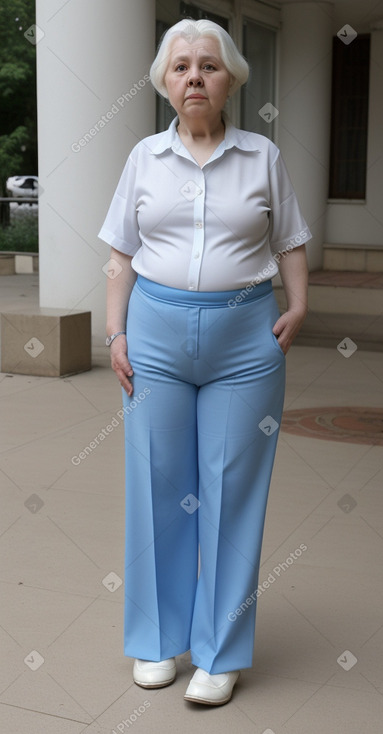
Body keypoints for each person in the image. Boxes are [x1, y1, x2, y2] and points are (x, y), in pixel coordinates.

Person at [98, 18, 311, 706]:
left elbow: (290, 240)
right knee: (157, 488)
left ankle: (219, 654)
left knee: (231, 495)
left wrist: (298, 306)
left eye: (208, 66)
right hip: (153, 337)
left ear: (230, 80)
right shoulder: (143, 158)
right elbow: (120, 256)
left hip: (244, 341)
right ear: (165, 81)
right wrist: (114, 333)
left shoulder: (261, 157)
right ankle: (158, 643)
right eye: (181, 66)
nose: (194, 77)